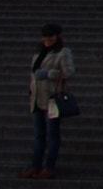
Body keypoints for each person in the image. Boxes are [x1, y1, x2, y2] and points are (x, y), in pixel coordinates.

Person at [24, 22, 74, 179]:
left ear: (58, 37)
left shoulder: (63, 52)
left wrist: (48, 74)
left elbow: (69, 72)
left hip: (52, 99)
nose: (47, 40)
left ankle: (49, 167)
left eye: (50, 37)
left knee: (52, 134)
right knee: (39, 135)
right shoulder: (38, 52)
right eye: (45, 37)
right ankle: (35, 166)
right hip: (36, 99)